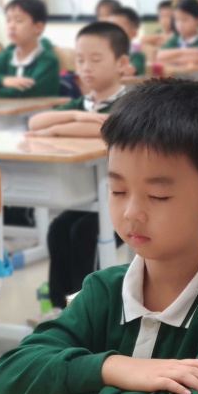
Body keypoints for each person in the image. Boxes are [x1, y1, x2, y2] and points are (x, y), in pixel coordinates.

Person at [0, 78, 198, 394]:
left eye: (157, 196)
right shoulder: (102, 290)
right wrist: (115, 367)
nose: (131, 213)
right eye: (118, 190)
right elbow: (10, 377)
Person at [27, 22, 130, 321]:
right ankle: (61, 308)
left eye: (95, 59)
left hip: (120, 201)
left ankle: (86, 310)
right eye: (80, 60)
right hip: (87, 196)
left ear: (122, 62)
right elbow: (35, 123)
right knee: (59, 229)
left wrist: (56, 129)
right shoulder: (82, 104)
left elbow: (107, 127)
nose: (85, 67)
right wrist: (75, 115)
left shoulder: (130, 102)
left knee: (84, 233)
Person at [0, 0, 59, 98]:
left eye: (19, 20)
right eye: (8, 20)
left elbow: (25, 92)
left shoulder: (48, 60)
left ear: (38, 27)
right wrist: (3, 80)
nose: (11, 26)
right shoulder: (7, 56)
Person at [156, 0, 198, 65]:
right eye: (177, 20)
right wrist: (183, 51)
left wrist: (171, 58)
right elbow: (159, 56)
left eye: (185, 19)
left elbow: (196, 59)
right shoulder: (175, 39)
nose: (180, 24)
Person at [108, 6, 146, 76]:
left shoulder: (135, 54)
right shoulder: (105, 52)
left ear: (133, 32)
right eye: (109, 28)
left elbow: (131, 69)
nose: (112, 32)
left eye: (117, 28)